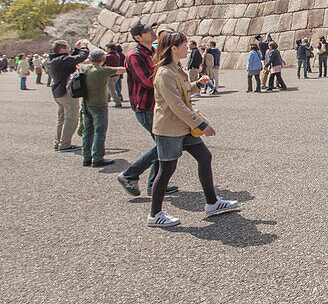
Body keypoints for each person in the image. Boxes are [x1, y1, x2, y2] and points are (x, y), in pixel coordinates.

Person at [147, 30, 238, 227]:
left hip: (184, 126)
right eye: (183, 46)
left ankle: (212, 202)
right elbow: (176, 104)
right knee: (166, 170)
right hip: (170, 128)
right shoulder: (164, 73)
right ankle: (155, 214)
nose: (186, 49)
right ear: (173, 48)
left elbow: (184, 92)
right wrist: (202, 124)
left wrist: (197, 84)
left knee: (204, 157)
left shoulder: (175, 68)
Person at [117, 21, 178, 198]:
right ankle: (130, 174)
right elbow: (146, 81)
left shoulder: (152, 52)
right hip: (145, 106)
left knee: (164, 144)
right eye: (148, 30)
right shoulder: (134, 56)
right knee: (164, 144)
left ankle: (155, 184)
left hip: (157, 105)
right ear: (138, 37)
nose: (152, 32)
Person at [77, 48, 125, 167]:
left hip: (86, 102)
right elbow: (122, 70)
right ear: (103, 59)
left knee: (87, 131)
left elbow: (82, 65)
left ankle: (86, 157)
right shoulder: (102, 71)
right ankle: (97, 157)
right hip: (99, 104)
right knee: (99, 131)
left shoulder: (85, 68)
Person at [46, 39, 90, 152]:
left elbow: (70, 60)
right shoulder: (61, 60)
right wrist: (84, 47)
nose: (69, 49)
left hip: (57, 92)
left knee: (61, 119)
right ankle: (65, 144)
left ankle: (59, 142)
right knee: (71, 118)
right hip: (66, 93)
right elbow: (79, 58)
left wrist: (76, 49)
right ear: (61, 50)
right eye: (67, 47)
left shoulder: (52, 60)